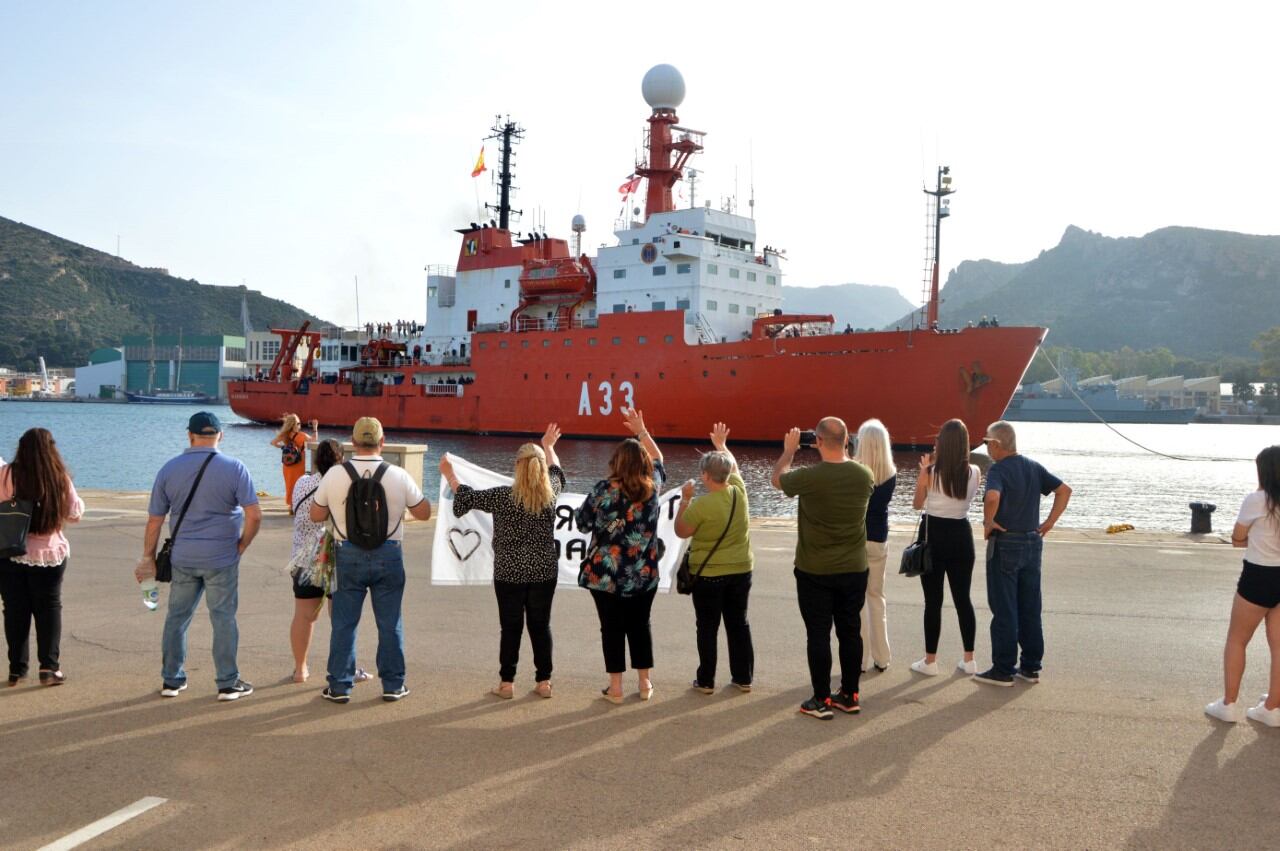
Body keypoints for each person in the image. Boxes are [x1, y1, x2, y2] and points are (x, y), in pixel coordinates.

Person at [137, 412, 261, 701]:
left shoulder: (169, 469)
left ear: (189, 435)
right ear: (220, 435)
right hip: (222, 556)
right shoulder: (235, 468)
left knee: (177, 618)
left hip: (183, 557)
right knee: (223, 619)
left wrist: (148, 557)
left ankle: (172, 680)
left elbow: (155, 520)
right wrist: (242, 545)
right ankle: (228, 683)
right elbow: (254, 515)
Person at [310, 417, 431, 703]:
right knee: (390, 623)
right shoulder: (398, 475)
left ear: (352, 443)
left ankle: (339, 686)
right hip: (389, 553)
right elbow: (424, 512)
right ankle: (393, 685)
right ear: (382, 442)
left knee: (344, 623)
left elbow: (315, 515)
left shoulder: (335, 475)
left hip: (346, 553)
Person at [443, 424, 565, 700]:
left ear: (517, 467)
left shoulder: (502, 496)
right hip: (544, 570)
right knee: (540, 625)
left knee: (510, 627)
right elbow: (557, 470)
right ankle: (544, 681)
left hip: (508, 572)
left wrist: (450, 474)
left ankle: (507, 683)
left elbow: (465, 498)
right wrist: (549, 446)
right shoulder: (551, 494)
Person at [772, 417, 874, 720]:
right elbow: (848, 470)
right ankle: (849, 694)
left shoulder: (810, 477)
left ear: (816, 440)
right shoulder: (864, 474)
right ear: (847, 440)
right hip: (855, 567)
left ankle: (820, 699)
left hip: (815, 569)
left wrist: (789, 452)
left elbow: (778, 479)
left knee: (818, 634)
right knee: (850, 631)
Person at [576, 408, 666, 704]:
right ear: (643, 463)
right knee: (641, 625)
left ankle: (615, 689)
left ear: (616, 462)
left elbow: (582, 522)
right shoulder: (652, 490)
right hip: (644, 573)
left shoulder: (602, 490)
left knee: (611, 629)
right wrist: (642, 431)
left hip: (606, 576)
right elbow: (659, 460)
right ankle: (645, 684)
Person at [977, 420, 1072, 686]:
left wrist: (988, 522)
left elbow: (993, 497)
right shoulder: (1033, 466)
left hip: (1006, 542)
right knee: (1030, 605)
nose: (986, 448)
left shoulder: (998, 469)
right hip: (1032, 541)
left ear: (996, 444)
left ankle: (1003, 669)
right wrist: (1049, 522)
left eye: (987, 444)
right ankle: (1030, 666)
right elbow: (1064, 491)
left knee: (1004, 607)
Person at [674, 423, 754, 694]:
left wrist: (685, 499)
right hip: (741, 570)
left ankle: (706, 680)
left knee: (707, 628)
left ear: (706, 476)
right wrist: (722, 445)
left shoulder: (701, 506)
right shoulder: (739, 493)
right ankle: (743, 677)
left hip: (709, 576)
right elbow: (735, 469)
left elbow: (681, 530)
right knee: (738, 623)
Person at [1, 428, 83, 687]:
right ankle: (49, 667)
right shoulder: (58, 478)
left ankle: (16, 669)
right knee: (48, 609)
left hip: (9, 551)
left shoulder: (5, 474)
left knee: (14, 610)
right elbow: (75, 513)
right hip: (49, 552)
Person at [286, 438, 372, 686]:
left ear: (315, 460)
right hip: (336, 556)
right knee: (341, 619)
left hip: (303, 557)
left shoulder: (302, 483)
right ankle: (345, 669)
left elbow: (295, 509)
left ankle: (300, 670)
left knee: (303, 616)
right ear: (341, 460)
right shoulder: (345, 485)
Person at [1206, 446, 1280, 725]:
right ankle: (1273, 708)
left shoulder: (1257, 499)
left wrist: (1249, 541)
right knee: (1279, 645)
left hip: (1259, 574)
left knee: (1237, 639)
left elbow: (1238, 537)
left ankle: (1229, 704)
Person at [909, 419, 980, 677]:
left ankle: (930, 661)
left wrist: (922, 475)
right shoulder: (974, 471)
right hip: (961, 535)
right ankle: (969, 659)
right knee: (963, 599)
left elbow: (918, 505)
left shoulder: (931, 472)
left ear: (943, 444)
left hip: (934, 535)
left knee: (933, 602)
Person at [852, 419, 896, 673]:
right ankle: (883, 657)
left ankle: (860, 659)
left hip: (856, 539)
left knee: (857, 601)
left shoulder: (855, 471)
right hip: (879, 539)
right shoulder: (891, 474)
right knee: (877, 598)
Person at [271, 414, 318, 512]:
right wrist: (315, 428)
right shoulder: (302, 435)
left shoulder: (284, 435)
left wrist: (283, 447)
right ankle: (296, 505)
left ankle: (291, 506)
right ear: (293, 425)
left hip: (287, 465)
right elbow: (314, 440)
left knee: (289, 485)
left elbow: (273, 443)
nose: (300, 425)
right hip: (299, 465)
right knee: (299, 485)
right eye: (298, 423)